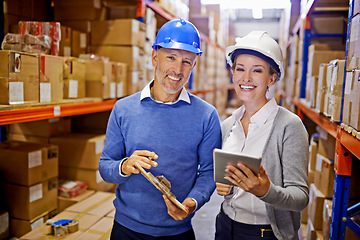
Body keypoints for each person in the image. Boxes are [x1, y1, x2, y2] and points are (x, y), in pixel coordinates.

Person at [99, 18, 222, 240]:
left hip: (178, 232)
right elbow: (105, 167)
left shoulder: (206, 115)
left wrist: (191, 203)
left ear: (194, 66)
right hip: (126, 230)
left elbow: (208, 173)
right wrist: (125, 166)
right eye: (171, 58)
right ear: (155, 57)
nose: (177, 69)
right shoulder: (123, 109)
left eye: (187, 61)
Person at [215, 31, 309, 240]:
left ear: (272, 78)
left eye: (257, 70)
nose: (246, 78)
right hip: (225, 227)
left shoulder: (289, 126)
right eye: (240, 69)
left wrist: (266, 190)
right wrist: (224, 186)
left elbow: (300, 197)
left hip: (267, 234)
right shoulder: (228, 125)